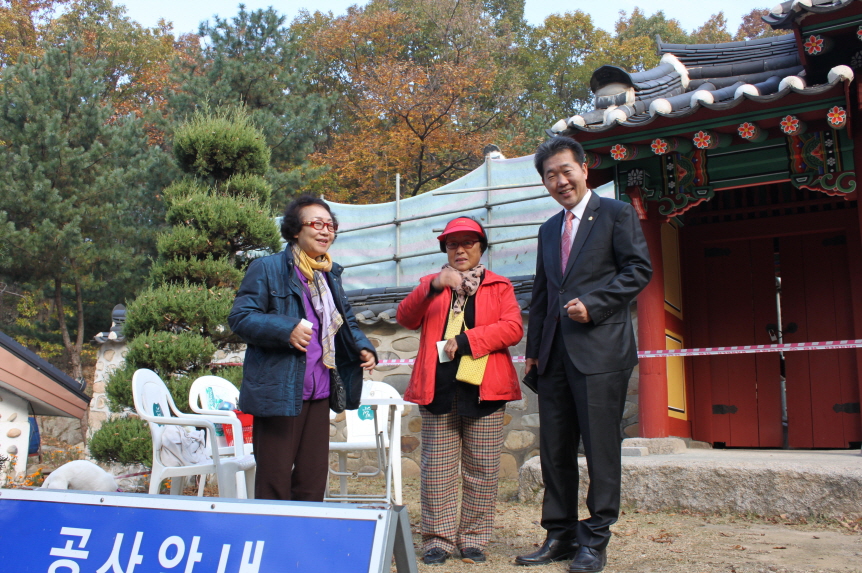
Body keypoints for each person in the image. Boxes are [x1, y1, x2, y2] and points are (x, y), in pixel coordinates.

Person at [515, 137, 652, 572]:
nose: (559, 181)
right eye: (550, 175)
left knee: (600, 448)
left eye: (565, 170)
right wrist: (533, 350)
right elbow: (542, 294)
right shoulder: (548, 229)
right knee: (555, 448)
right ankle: (559, 534)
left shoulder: (616, 214)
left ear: (584, 168)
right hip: (554, 355)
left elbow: (638, 270)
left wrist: (595, 303)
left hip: (600, 353)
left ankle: (595, 539)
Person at [228, 194, 377, 501]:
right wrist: (286, 329)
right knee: (274, 480)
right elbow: (241, 318)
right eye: (316, 224)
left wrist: (362, 346)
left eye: (330, 225)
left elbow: (344, 319)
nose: (325, 231)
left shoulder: (328, 275)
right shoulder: (267, 269)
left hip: (320, 391)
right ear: (296, 230)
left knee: (312, 482)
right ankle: (270, 544)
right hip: (279, 393)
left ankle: (302, 544)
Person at [397, 217, 524, 566]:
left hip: (484, 388)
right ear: (445, 250)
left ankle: (473, 538)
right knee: (436, 468)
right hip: (438, 388)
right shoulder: (431, 284)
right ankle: (438, 539)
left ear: (481, 248)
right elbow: (405, 317)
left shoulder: (499, 285)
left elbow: (512, 328)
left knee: (482, 469)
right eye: (453, 244)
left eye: (469, 242)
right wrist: (434, 286)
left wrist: (468, 340)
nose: (461, 249)